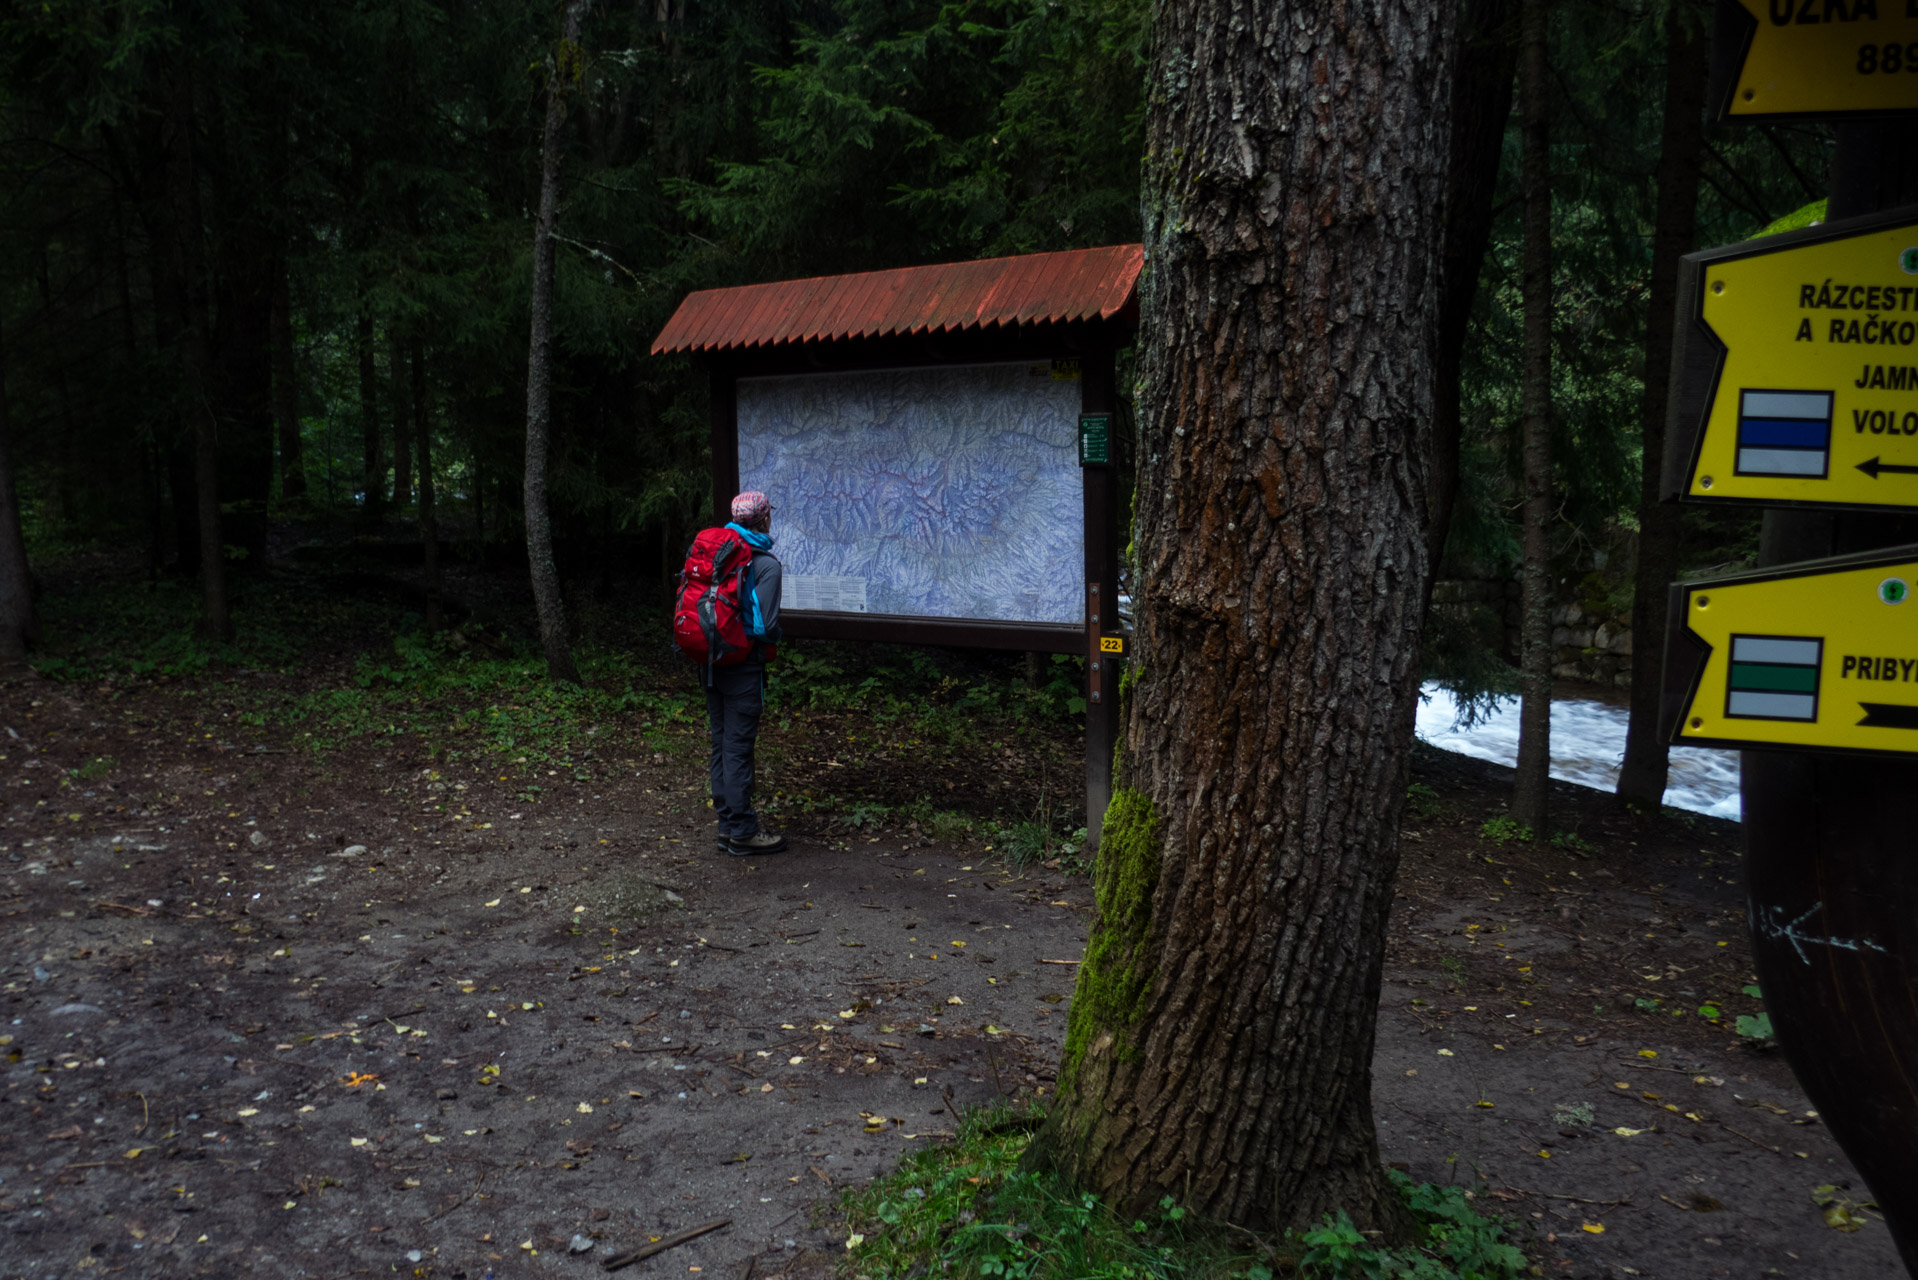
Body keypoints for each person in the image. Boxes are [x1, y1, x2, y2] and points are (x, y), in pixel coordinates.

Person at [704, 491, 786, 856]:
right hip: (742, 666)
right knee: (738, 748)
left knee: (721, 745)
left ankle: (726, 827)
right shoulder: (765, 564)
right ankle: (743, 832)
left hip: (710, 663)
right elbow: (765, 626)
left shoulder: (718, 553)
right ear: (764, 520)